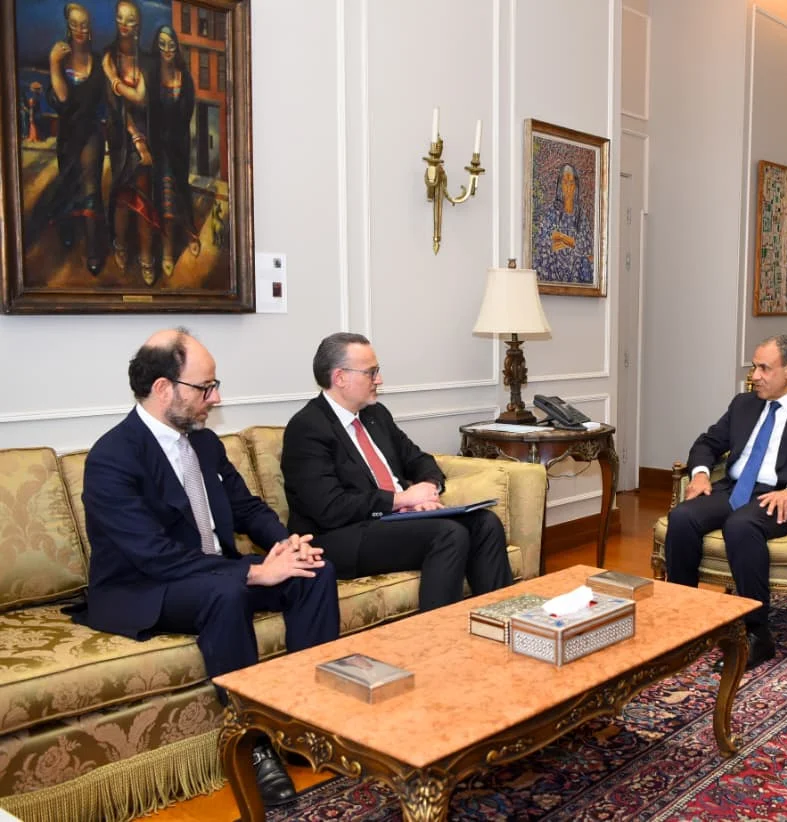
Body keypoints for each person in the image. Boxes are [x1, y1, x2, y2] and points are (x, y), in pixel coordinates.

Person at [78, 328, 340, 806]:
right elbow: (153, 555)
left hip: (211, 570)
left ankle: (307, 722)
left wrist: (287, 545)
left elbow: (247, 508)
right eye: (205, 387)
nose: (215, 398)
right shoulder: (112, 457)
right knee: (227, 591)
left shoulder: (204, 444)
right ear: (164, 388)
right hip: (145, 587)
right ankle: (254, 743)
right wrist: (253, 573)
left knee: (314, 570)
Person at [664, 335, 787, 670]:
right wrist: (700, 474)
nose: (755, 375)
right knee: (682, 517)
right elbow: (708, 442)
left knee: (741, 526)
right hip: (734, 489)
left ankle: (756, 634)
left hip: (779, 496)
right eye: (755, 367)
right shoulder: (744, 404)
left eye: (764, 368)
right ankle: (684, 620)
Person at [281, 333, 513, 611]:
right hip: (340, 537)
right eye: (371, 372)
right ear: (340, 377)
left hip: (392, 522)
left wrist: (428, 489)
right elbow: (329, 508)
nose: (378, 379)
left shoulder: (375, 415)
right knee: (448, 534)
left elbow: (418, 459)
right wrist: (400, 500)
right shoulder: (307, 428)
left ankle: (499, 621)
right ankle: (438, 633)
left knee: (486, 523)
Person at [24, 2, 107, 274]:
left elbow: (104, 100)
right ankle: (68, 231)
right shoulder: (60, 58)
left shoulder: (99, 61)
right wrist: (53, 64)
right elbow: (62, 99)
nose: (80, 29)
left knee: (91, 188)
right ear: (68, 28)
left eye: (84, 24)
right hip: (68, 134)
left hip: (91, 132)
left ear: (89, 28)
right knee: (69, 184)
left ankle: (94, 250)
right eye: (75, 25)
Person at [102, 0, 160, 285]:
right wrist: (136, 139)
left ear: (138, 26)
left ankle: (147, 255)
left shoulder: (147, 60)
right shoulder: (109, 55)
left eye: (130, 20)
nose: (124, 25)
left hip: (149, 134)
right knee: (124, 197)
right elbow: (116, 107)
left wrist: (114, 78)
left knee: (145, 196)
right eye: (120, 18)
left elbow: (141, 98)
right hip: (123, 139)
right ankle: (121, 244)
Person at [147, 25, 200, 277]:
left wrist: (176, 137)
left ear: (176, 47)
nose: (167, 49)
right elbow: (149, 114)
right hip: (159, 147)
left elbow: (187, 112)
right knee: (165, 197)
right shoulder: (152, 77)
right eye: (162, 44)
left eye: (171, 44)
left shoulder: (184, 78)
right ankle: (167, 252)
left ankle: (190, 232)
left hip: (179, 145)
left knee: (182, 190)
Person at [533, 163, 594, 284]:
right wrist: (571, 244)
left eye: (571, 183)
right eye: (565, 183)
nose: (568, 187)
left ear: (576, 186)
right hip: (552, 269)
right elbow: (543, 241)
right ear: (560, 186)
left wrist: (563, 238)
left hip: (576, 270)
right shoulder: (552, 213)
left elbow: (587, 248)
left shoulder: (581, 216)